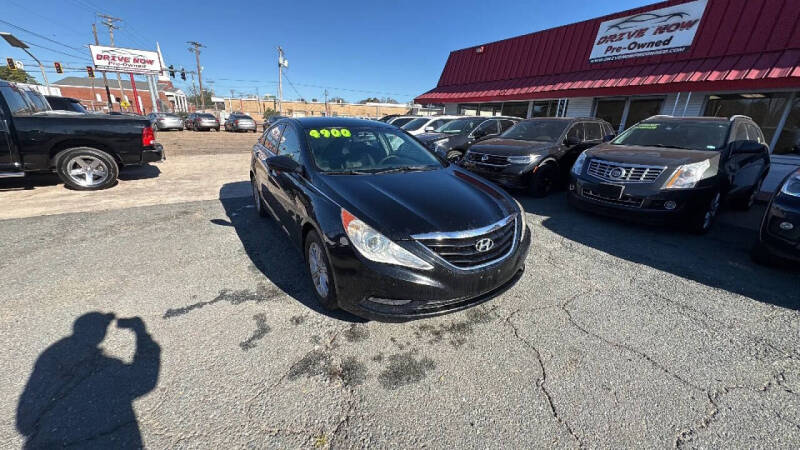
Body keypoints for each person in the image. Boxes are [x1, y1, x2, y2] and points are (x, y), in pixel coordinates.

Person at [16, 313, 160, 449]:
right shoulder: (106, 368)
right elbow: (144, 378)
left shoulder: (49, 363)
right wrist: (141, 333)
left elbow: (24, 424)